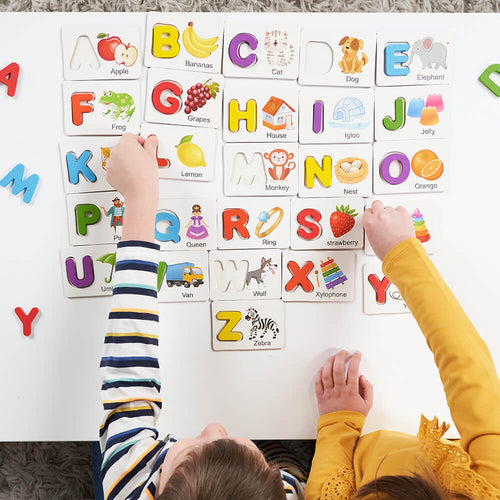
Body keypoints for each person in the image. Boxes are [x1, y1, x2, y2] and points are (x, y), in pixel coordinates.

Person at [99, 133, 307, 500]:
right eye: (242, 449)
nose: (214, 426)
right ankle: (281, 458)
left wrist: (140, 198)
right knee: (292, 458)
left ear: (158, 485)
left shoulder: (129, 481)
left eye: (192, 446)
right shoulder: (289, 494)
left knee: (110, 439)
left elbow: (128, 376)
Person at [305, 201, 500, 500]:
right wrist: (402, 252)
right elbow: (467, 367)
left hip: (363, 448)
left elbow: (324, 495)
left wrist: (338, 423)